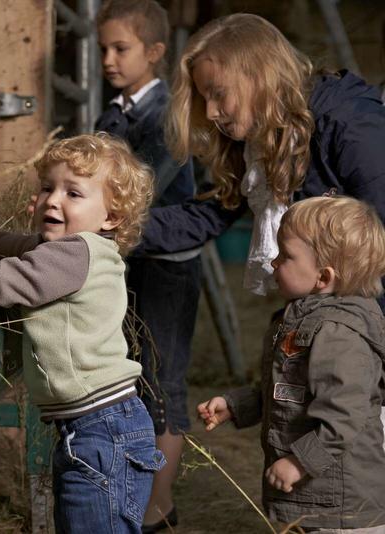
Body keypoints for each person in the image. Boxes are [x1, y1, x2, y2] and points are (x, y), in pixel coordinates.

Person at [0, 133, 164, 533]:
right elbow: (25, 247)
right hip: (94, 429)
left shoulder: (73, 255)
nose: (53, 200)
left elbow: (12, 278)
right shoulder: (79, 251)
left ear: (111, 217)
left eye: (73, 193)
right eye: (46, 188)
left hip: (101, 432)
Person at [132, 13, 385, 312]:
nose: (211, 112)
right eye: (204, 98)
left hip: (364, 316)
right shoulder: (257, 141)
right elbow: (205, 216)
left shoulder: (348, 123)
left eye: (218, 94)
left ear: (258, 76)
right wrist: (113, 226)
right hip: (318, 310)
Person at [197, 196, 385, 531]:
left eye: (286, 255)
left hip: (338, 505)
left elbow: (344, 415)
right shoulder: (303, 319)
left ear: (323, 277)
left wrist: (300, 462)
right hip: (312, 498)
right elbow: (289, 389)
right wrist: (237, 405)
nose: (273, 262)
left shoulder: (338, 335)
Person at [93, 2, 200, 530]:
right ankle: (139, 494)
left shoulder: (167, 116)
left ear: (155, 53)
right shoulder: (113, 111)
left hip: (165, 265)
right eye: (104, 49)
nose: (109, 59)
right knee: (132, 374)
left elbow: (143, 189)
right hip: (126, 261)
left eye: (121, 49)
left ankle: (158, 506)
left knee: (162, 381)